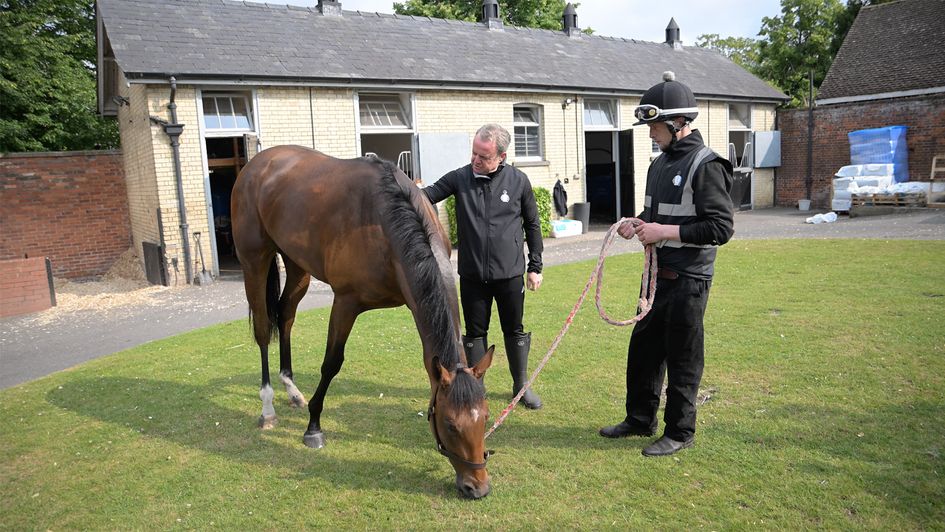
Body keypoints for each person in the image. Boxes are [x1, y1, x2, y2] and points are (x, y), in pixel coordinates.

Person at [599, 72, 734, 456]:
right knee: (643, 351)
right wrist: (638, 222)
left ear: (678, 123)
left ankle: (679, 431)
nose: (649, 134)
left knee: (683, 356)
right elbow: (656, 215)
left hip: (689, 279)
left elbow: (720, 227)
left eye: (654, 126)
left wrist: (663, 231)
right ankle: (640, 419)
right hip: (655, 278)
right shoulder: (658, 165)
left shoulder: (707, 165)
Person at [422, 123, 544, 409]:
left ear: (501, 156)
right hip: (473, 276)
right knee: (475, 333)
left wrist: (535, 265)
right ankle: (476, 387)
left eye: (483, 156)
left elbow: (532, 224)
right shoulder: (460, 178)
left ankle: (521, 385)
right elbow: (425, 196)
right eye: (474, 153)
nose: (476, 160)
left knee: (514, 329)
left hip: (510, 274)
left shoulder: (518, 181)